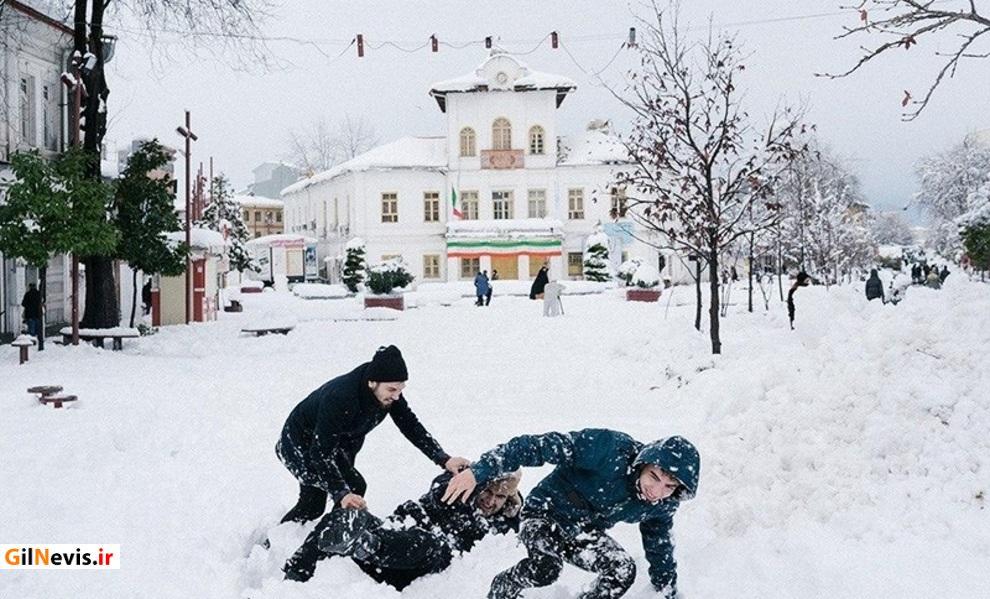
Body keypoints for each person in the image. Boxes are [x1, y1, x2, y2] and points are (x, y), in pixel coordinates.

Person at [443, 429, 700, 599]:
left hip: (582, 530)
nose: (656, 491)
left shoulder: (662, 503)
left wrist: (667, 589)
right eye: (654, 477)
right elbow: (535, 446)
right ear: (643, 464)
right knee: (547, 568)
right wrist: (479, 471)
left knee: (622, 571)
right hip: (545, 512)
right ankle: (505, 585)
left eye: (669, 486)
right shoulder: (610, 449)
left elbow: (659, 543)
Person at [275, 345, 469, 524]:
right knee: (314, 504)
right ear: (372, 383)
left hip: (335, 443)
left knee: (353, 489)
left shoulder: (387, 392)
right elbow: (320, 453)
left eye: (400, 390)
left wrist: (443, 459)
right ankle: (279, 541)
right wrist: (341, 493)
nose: (396, 396)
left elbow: (410, 425)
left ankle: (333, 537)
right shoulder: (340, 397)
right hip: (299, 443)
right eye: (392, 390)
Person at [283, 470, 523, 587]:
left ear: (508, 499)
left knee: (428, 543)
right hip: (391, 532)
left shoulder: (504, 526)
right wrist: (466, 477)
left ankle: (364, 544)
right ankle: (296, 573)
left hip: (409, 565)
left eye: (500, 497)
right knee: (348, 516)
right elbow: (439, 488)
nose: (490, 501)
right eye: (488, 492)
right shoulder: (457, 492)